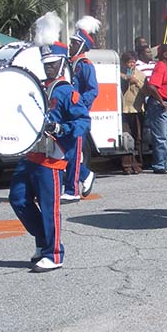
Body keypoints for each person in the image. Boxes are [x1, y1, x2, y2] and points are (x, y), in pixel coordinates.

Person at [9, 12, 91, 272]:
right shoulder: (38, 88)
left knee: (48, 206)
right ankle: (43, 241)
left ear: (62, 63)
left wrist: (60, 127)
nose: (48, 68)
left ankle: (54, 254)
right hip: (30, 153)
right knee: (18, 199)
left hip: (52, 156)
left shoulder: (67, 92)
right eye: (45, 64)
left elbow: (83, 123)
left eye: (52, 64)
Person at [62, 16, 101, 203]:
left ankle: (72, 189)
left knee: (74, 151)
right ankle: (84, 176)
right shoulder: (69, 63)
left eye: (75, 43)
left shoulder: (85, 66)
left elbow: (93, 90)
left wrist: (79, 106)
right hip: (67, 114)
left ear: (83, 45)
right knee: (66, 151)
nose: (70, 45)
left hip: (77, 115)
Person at [143, 44, 167, 173]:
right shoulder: (160, 67)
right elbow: (152, 86)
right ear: (164, 54)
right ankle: (159, 165)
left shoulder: (166, 68)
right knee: (161, 136)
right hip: (160, 106)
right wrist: (161, 100)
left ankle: (165, 163)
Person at [120, 51, 146, 174]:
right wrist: (125, 78)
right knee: (126, 138)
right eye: (129, 62)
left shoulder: (141, 75)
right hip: (124, 110)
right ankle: (127, 165)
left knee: (138, 137)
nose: (132, 64)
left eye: (134, 62)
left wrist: (137, 82)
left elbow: (146, 90)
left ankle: (138, 163)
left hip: (136, 109)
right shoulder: (119, 74)